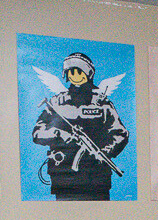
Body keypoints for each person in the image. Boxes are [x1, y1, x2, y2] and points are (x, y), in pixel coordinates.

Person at [32, 52, 129, 198]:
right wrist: (58, 134)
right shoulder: (57, 102)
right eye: (71, 72)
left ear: (88, 74)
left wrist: (104, 152)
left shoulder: (102, 103)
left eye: (79, 72)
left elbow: (120, 134)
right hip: (64, 178)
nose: (75, 76)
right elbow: (37, 133)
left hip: (97, 179)